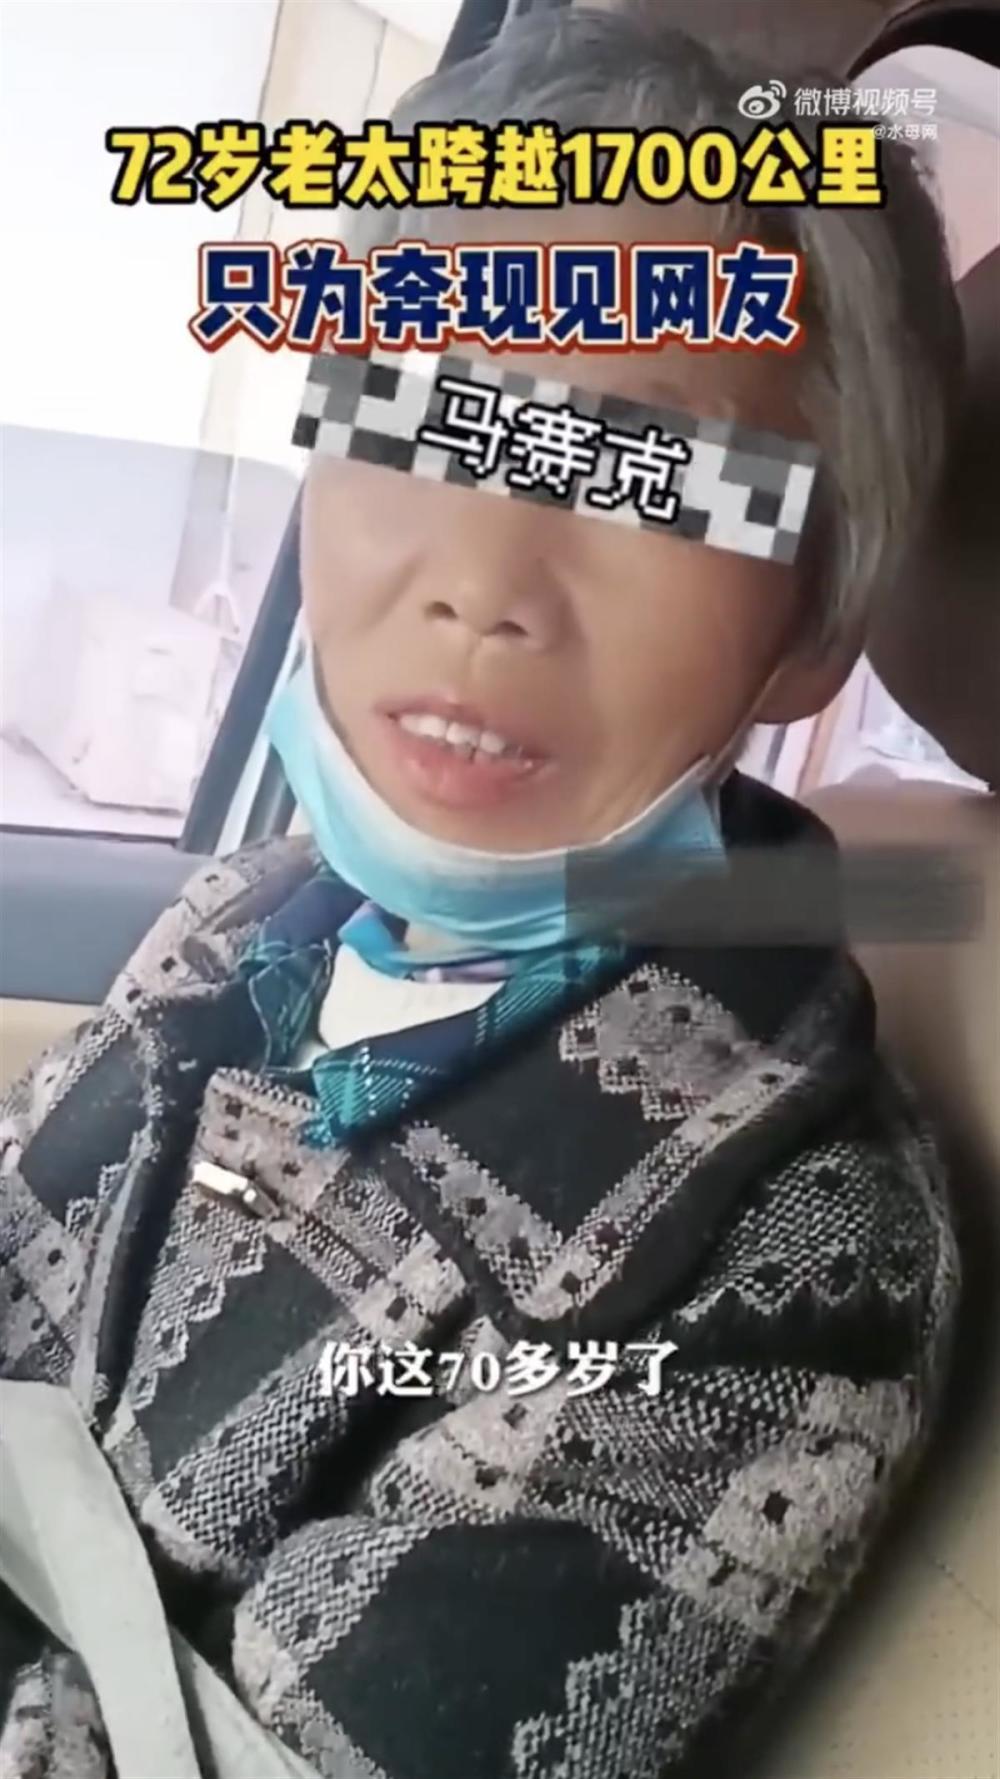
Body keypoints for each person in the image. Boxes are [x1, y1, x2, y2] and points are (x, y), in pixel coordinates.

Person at [0, 8, 964, 1776]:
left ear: (814, 617)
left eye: (644, 475)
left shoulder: (779, 1263)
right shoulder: (249, 917)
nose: (484, 581)